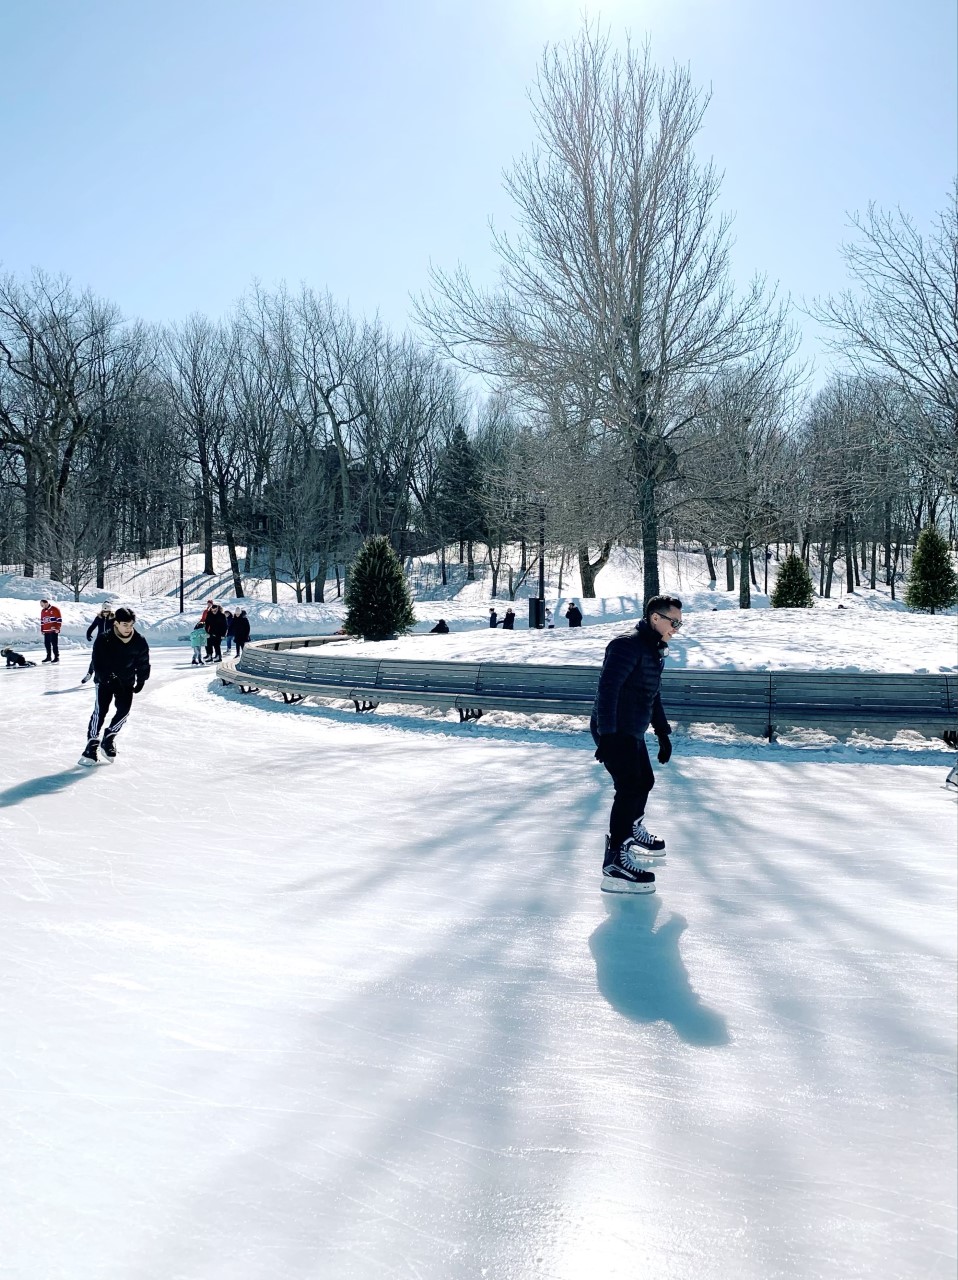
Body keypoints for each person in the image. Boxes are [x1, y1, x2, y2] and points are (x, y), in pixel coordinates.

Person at [591, 594, 682, 894]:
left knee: (645, 780)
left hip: (632, 729)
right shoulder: (626, 645)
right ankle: (615, 860)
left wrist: (662, 733)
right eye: (674, 622)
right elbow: (607, 690)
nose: (677, 629)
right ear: (656, 618)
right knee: (629, 787)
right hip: (615, 730)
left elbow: (651, 694)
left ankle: (631, 830)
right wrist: (606, 735)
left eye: (680, 623)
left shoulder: (653, 649)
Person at [78, 607, 150, 765]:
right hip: (104, 681)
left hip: (126, 681)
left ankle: (109, 738)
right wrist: (110, 679)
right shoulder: (105, 639)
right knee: (100, 711)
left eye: (131, 625)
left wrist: (142, 679)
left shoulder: (139, 640)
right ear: (116, 623)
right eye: (125, 625)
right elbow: (98, 663)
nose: (128, 628)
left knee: (124, 712)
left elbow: (143, 661)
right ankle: (92, 744)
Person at [82, 605, 115, 682]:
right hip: (99, 641)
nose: (105, 613)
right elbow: (92, 626)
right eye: (104, 611)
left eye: (107, 612)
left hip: (110, 642)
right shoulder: (99, 618)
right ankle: (89, 673)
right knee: (95, 657)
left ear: (110, 611)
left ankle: (105, 676)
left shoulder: (114, 619)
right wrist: (88, 634)